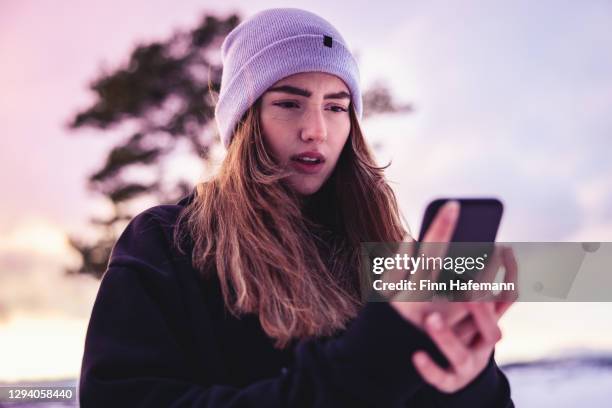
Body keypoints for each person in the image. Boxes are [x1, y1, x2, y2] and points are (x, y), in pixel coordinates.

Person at [79, 8, 516, 407]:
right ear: (244, 119)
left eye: (336, 107)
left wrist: (473, 381)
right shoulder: (167, 242)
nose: (316, 130)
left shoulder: (390, 255)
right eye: (289, 103)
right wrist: (372, 356)